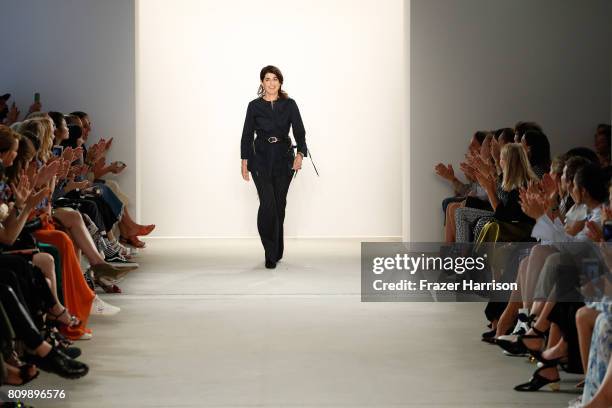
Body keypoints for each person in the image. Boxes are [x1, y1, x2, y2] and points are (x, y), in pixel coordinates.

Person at [240, 65, 307, 269]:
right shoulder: (254, 106)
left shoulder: (289, 104)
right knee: (267, 205)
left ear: (280, 82)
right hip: (259, 158)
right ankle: (270, 253)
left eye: (275, 79)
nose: (271, 83)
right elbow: (246, 135)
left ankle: (277, 250)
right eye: (267, 79)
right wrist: (244, 162)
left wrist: (300, 154)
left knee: (279, 205)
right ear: (262, 82)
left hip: (283, 158)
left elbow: (300, 132)